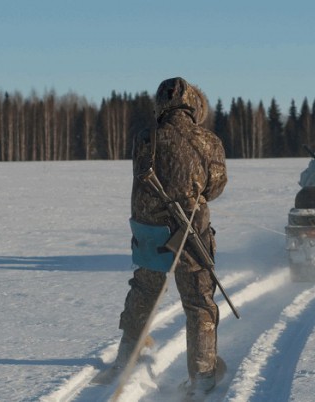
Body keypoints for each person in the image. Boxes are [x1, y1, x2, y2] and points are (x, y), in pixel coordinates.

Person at [115, 77, 228, 395]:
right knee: (199, 303)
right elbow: (215, 187)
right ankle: (203, 376)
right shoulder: (208, 141)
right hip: (187, 235)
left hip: (149, 233)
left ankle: (126, 357)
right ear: (194, 106)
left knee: (143, 292)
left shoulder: (144, 138)